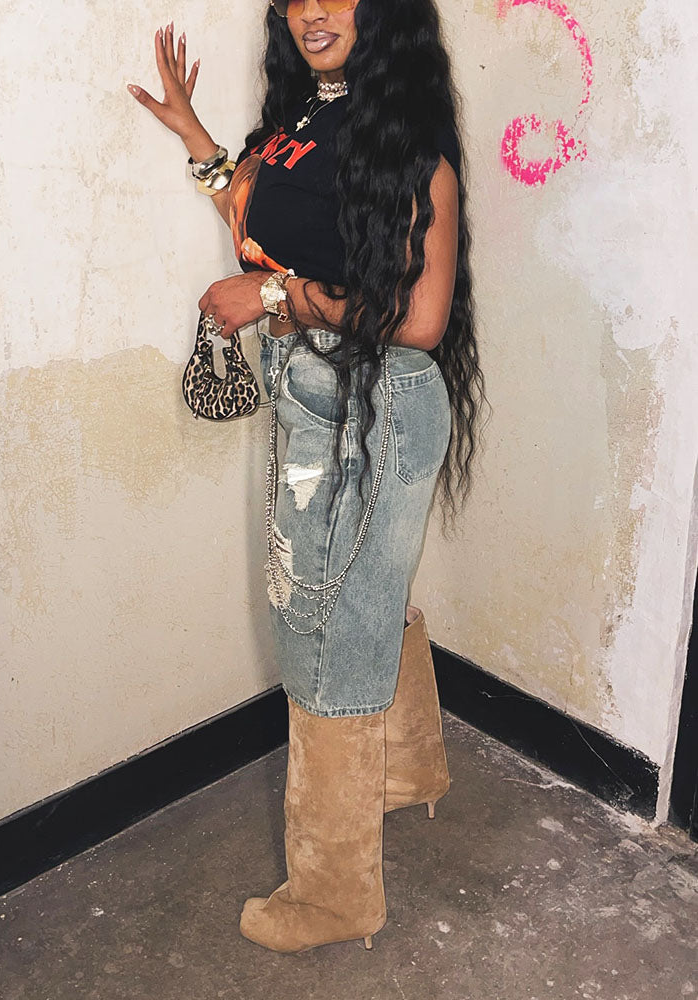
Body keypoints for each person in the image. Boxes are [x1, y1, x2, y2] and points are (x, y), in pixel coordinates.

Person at [128, 0, 486, 954]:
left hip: (373, 411)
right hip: (320, 400)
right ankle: (406, 773)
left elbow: (421, 322)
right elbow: (258, 218)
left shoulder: (409, 146)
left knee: (325, 630)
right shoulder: (306, 114)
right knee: (357, 603)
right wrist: (197, 137)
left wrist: (272, 295)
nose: (311, 12)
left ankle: (336, 897)